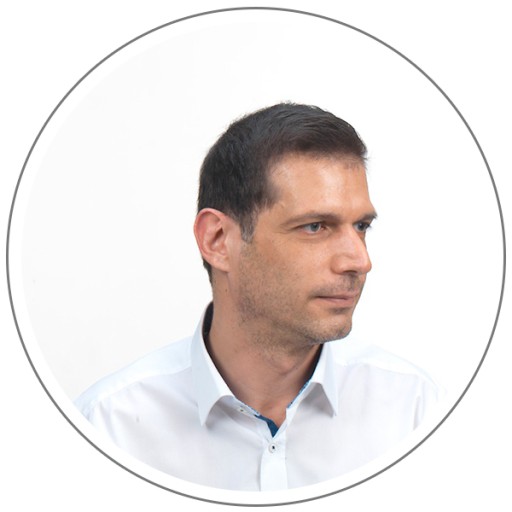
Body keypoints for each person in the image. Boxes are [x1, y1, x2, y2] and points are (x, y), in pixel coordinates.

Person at [75, 103, 440, 491]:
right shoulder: (108, 430)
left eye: (362, 226)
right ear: (218, 240)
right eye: (315, 226)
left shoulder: (415, 412)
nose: (359, 261)